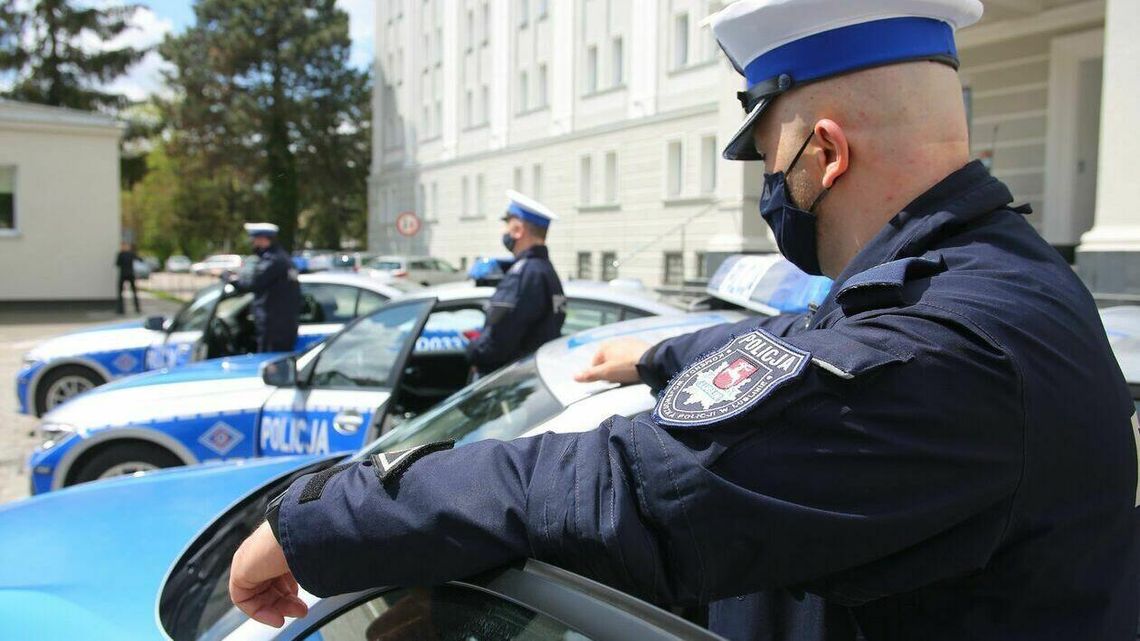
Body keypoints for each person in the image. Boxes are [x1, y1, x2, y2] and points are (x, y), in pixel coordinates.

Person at [229, 2, 1140, 640]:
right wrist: (656, 351)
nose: (768, 186)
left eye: (770, 155)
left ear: (825, 151)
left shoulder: (953, 351)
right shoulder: (978, 272)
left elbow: (627, 488)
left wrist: (328, 517)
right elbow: (811, 347)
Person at [465, 190, 566, 376]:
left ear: (518, 229)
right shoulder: (545, 270)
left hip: (508, 379)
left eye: (506, 224)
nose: (504, 231)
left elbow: (498, 340)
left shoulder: (523, 274)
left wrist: (473, 350)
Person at [230, 223, 300, 353]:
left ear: (262, 239)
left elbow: (253, 283)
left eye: (254, 239)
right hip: (281, 325)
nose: (252, 243)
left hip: (273, 327)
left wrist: (230, 279)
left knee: (271, 366)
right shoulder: (282, 258)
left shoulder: (273, 260)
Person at [114, 242, 141, 315]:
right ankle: (137, 308)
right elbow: (139, 259)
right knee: (134, 292)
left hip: (123, 274)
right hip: (130, 274)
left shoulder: (121, 254)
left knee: (120, 293)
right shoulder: (131, 254)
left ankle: (121, 310)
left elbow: (117, 264)